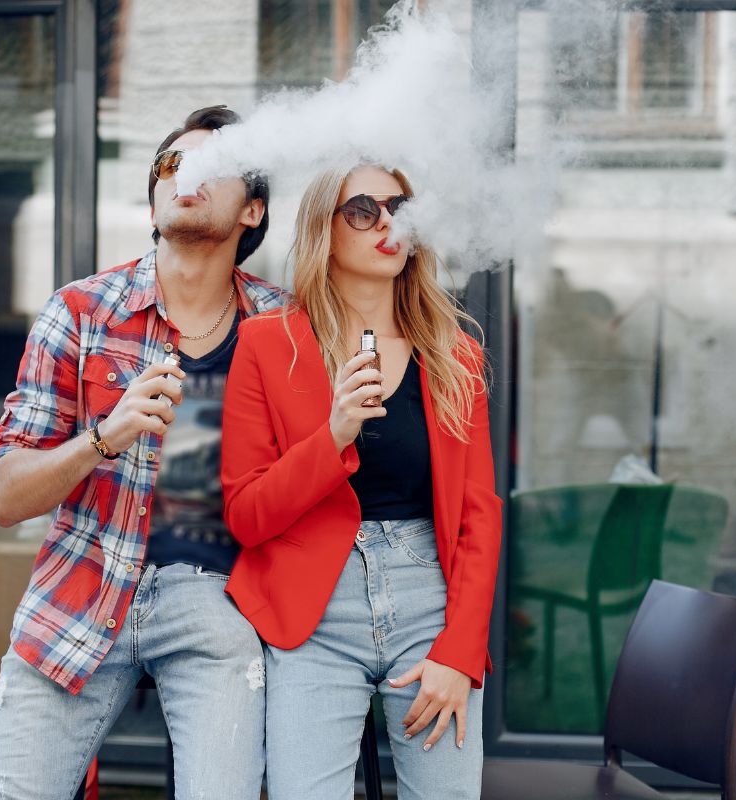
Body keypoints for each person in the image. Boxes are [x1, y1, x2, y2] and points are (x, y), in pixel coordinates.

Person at [0, 105, 286, 800]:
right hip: (84, 584)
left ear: (252, 211)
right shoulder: (80, 312)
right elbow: (2, 498)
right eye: (171, 165)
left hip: (218, 601)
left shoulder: (285, 327)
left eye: (213, 167)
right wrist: (102, 437)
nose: (186, 177)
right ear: (152, 197)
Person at [220, 164, 502, 799]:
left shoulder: (454, 354)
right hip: (315, 613)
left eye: (400, 209)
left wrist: (459, 651)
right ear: (326, 229)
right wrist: (333, 437)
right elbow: (246, 513)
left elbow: (479, 514)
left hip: (430, 603)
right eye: (363, 210)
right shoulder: (268, 345)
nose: (387, 224)